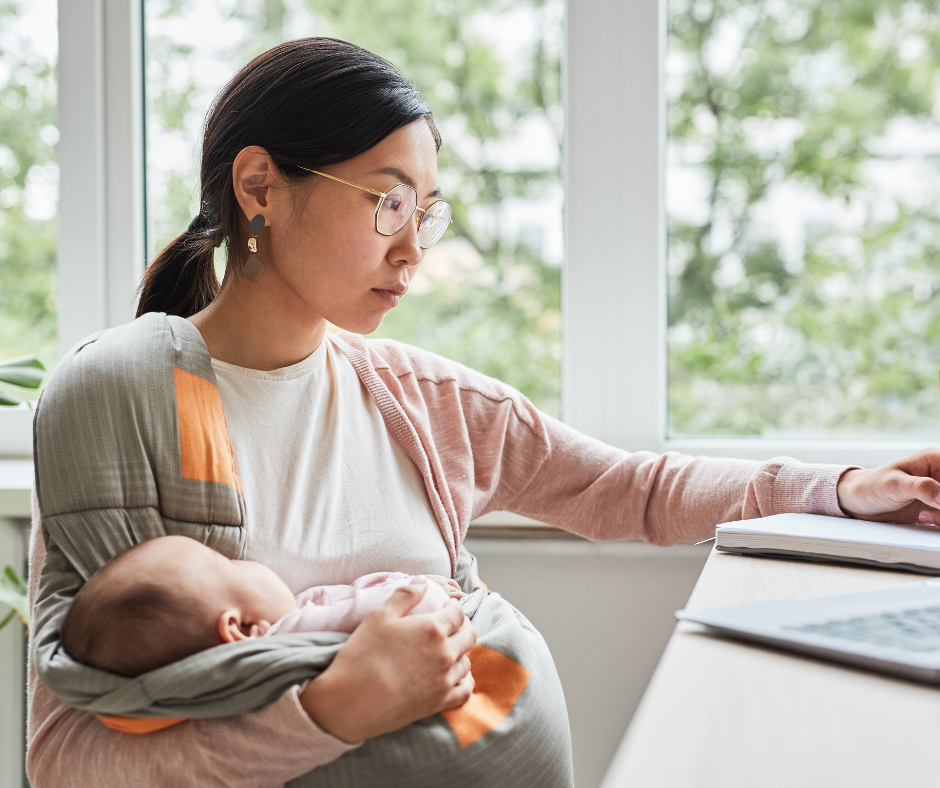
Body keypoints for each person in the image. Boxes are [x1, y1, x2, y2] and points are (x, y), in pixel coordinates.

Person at [26, 36, 940, 788]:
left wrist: (843, 488)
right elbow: (69, 760)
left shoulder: (421, 400)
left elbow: (632, 488)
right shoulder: (123, 406)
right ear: (259, 186)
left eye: (429, 212)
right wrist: (331, 713)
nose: (414, 248)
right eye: (387, 204)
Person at [60, 535, 458, 679]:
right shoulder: (291, 638)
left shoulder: (288, 625)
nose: (238, 558)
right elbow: (414, 616)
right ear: (242, 629)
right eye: (225, 564)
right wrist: (418, 587)